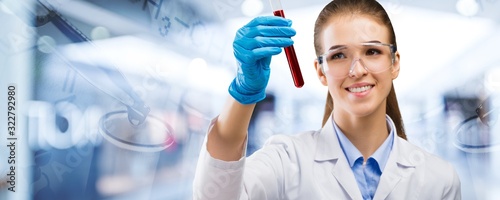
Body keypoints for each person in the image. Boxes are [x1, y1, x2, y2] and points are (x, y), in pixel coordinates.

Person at [193, 0, 462, 199]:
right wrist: (243, 93)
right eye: (338, 55)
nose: (357, 70)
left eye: (372, 51)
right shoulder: (286, 162)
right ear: (320, 71)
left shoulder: (439, 179)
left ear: (395, 64)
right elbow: (214, 195)